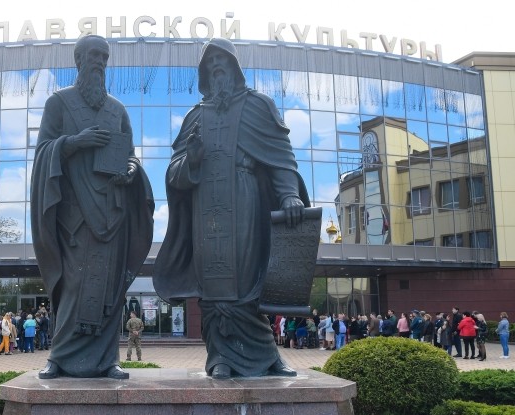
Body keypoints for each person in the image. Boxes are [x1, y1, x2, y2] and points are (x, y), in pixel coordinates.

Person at [154, 38, 309, 378]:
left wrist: (289, 195)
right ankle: (219, 357)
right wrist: (192, 159)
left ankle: (267, 355)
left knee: (251, 279)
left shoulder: (259, 105)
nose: (216, 67)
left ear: (235, 68)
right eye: (210, 63)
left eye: (221, 60)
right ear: (204, 73)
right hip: (206, 206)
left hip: (246, 200)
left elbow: (281, 157)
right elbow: (174, 173)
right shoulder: (195, 116)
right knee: (212, 282)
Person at [31, 34, 154, 380]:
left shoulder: (117, 109)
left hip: (113, 213)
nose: (99, 61)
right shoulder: (59, 103)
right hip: (74, 215)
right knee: (74, 285)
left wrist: (132, 169)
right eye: (94, 55)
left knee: (109, 291)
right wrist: (74, 142)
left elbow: (130, 154)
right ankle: (59, 357)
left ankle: (107, 360)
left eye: (104, 56)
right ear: (79, 60)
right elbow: (43, 152)